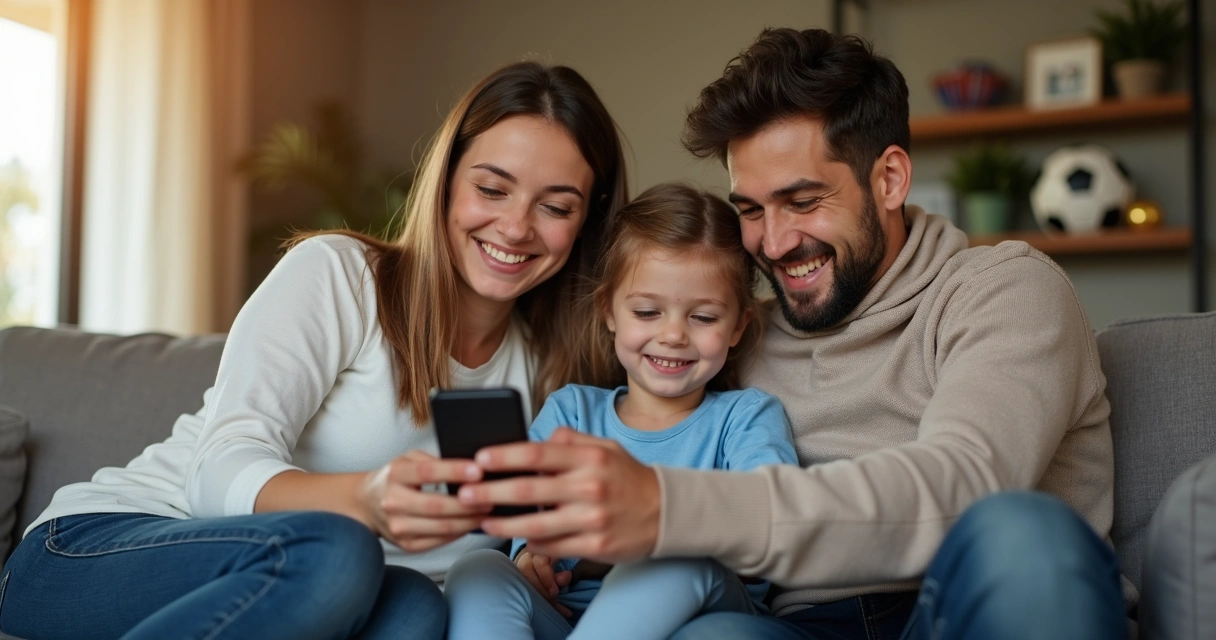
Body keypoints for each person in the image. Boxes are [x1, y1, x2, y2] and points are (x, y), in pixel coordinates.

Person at [455, 28, 1127, 640]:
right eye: (751, 209)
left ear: (889, 178)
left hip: (952, 610)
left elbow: (965, 487)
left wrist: (669, 507)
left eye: (803, 202)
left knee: (1022, 529)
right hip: (791, 629)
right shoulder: (740, 333)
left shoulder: (1003, 290)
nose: (774, 244)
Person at [0, 61, 628, 640]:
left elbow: (499, 550)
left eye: (554, 207)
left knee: (416, 609)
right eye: (492, 189)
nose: (517, 227)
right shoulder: (341, 275)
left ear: (587, 221)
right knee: (341, 548)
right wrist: (365, 501)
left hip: (319, 591)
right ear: (446, 182)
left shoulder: (555, 374)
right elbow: (218, 469)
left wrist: (531, 558)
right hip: (92, 549)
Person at [443, 183, 799, 639]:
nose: (673, 335)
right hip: (570, 621)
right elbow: (529, 533)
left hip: (699, 613)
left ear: (737, 327)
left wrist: (632, 541)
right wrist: (532, 560)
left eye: (704, 317)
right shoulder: (570, 412)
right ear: (609, 311)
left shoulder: (746, 418)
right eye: (648, 312)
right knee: (478, 568)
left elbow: (768, 534)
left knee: (676, 549)